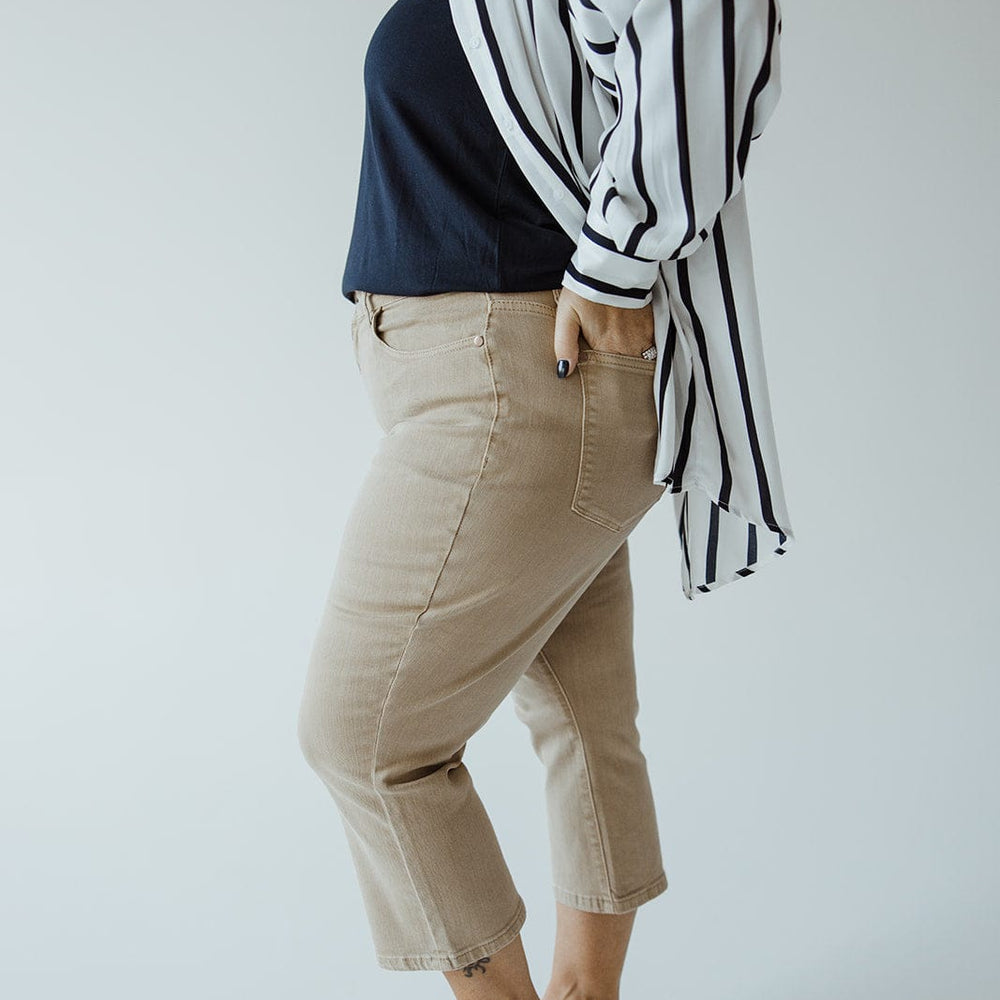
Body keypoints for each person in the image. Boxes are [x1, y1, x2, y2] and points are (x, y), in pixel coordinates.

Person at [297, 1, 791, 997]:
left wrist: (616, 260)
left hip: (516, 379)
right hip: (499, 379)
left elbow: (712, 23)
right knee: (581, 711)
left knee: (362, 736)